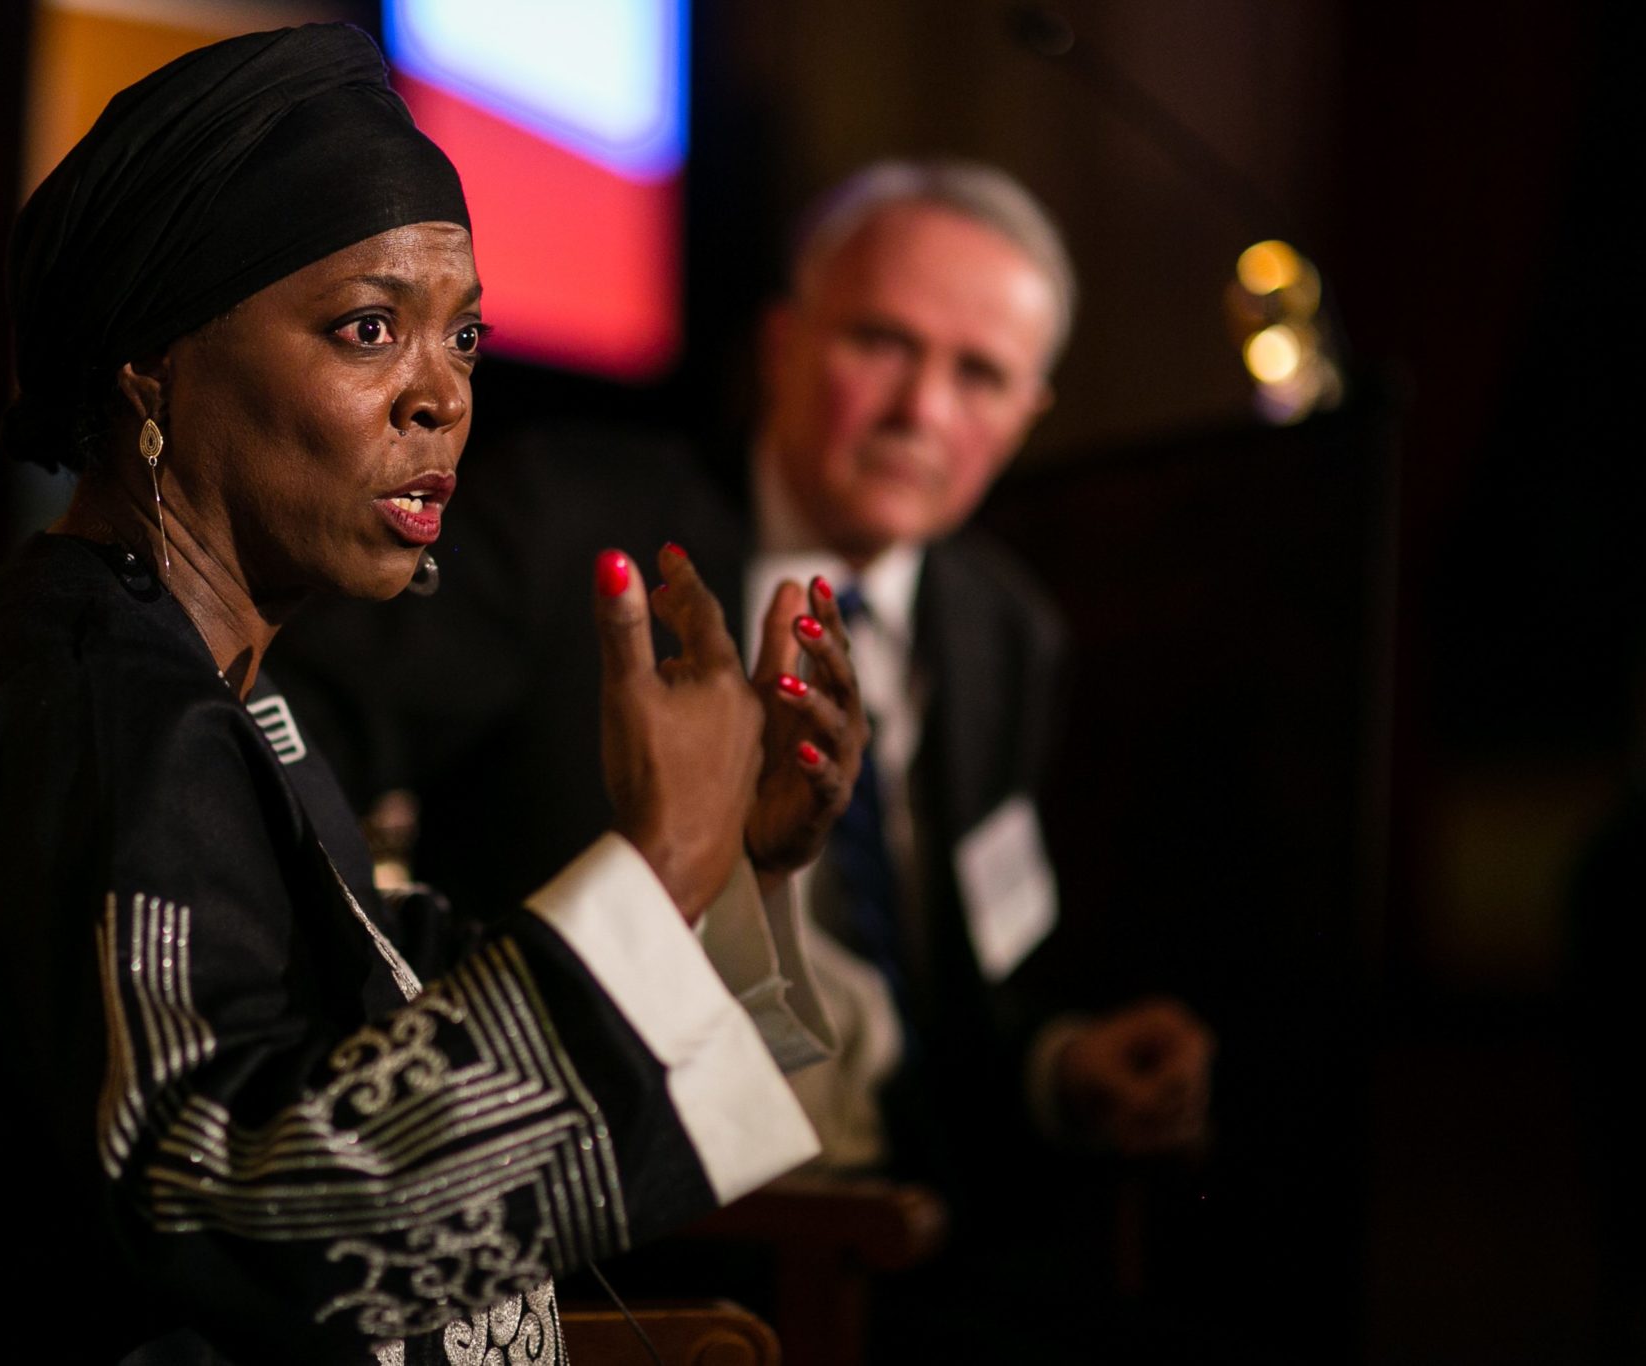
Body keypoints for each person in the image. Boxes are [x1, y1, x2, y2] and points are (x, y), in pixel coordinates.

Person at [0, 25, 867, 1365]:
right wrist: (659, 866)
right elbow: (238, 1205)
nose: (444, 398)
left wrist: (729, 860)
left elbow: (400, 990)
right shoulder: (102, 704)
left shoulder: (205, 682)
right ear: (153, 369)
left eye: (464, 337)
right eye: (369, 329)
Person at [272, 159, 1216, 1355]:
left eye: (976, 373)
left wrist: (1059, 1065)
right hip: (626, 1217)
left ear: (1027, 412)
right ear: (781, 345)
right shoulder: (567, 526)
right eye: (881, 342)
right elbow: (297, 742)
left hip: (913, 1217)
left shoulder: (1002, 630)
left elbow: (949, 982)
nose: (920, 408)